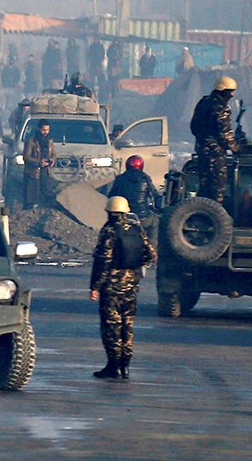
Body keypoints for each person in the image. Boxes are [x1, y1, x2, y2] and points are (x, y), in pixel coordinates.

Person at [89, 196, 156, 380]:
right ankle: (125, 366)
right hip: (131, 285)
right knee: (128, 325)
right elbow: (151, 254)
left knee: (112, 326)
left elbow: (103, 260)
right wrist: (134, 266)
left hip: (111, 286)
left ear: (110, 212)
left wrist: (95, 286)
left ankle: (113, 366)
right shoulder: (136, 229)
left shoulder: (109, 230)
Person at [190, 76, 240, 202]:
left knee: (204, 187)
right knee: (218, 187)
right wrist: (236, 148)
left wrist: (203, 139)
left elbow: (194, 127)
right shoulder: (220, 107)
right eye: (230, 91)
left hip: (202, 150)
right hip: (215, 154)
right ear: (222, 90)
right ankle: (215, 212)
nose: (232, 95)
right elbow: (225, 133)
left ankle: (202, 211)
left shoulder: (204, 102)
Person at [109, 155, 161, 246]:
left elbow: (111, 195)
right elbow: (154, 195)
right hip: (142, 218)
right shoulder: (145, 179)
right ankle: (152, 247)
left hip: (123, 216)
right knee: (155, 221)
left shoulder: (120, 178)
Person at [22, 119, 55, 207]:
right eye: (43, 130)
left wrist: (52, 160)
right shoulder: (31, 141)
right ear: (38, 129)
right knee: (33, 196)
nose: (45, 132)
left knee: (45, 193)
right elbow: (26, 157)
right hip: (34, 173)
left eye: (47, 130)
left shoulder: (49, 141)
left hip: (46, 172)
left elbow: (53, 154)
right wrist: (39, 162)